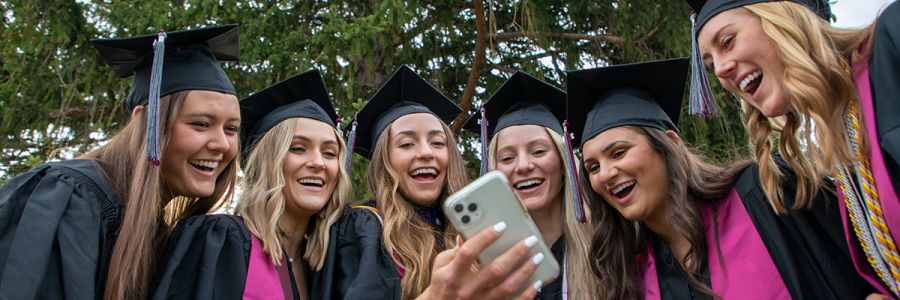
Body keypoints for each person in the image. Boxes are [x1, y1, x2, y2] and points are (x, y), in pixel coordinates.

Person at [567, 58, 875, 299]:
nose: (605, 173)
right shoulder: (630, 273)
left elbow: (871, 268)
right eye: (593, 167)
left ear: (671, 143)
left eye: (619, 153)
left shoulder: (766, 191)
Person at [0, 25, 242, 299]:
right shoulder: (69, 198)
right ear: (144, 120)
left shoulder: (156, 231)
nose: (222, 144)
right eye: (201, 124)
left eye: (231, 129)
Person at [689, 0, 900, 295]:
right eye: (711, 65)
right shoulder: (844, 149)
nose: (722, 71)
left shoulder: (893, 43)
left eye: (728, 41)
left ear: (782, 15)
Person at [309, 65, 543, 300]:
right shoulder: (365, 228)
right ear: (384, 161)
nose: (426, 152)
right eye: (406, 144)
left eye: (438, 143)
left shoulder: (468, 229)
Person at [151, 69, 349, 299]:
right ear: (265, 162)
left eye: (329, 153)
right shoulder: (220, 241)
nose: (318, 163)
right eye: (297, 148)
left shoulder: (324, 267)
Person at [462, 71, 601, 299]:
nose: (523, 166)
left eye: (538, 151)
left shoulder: (605, 248)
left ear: (563, 161)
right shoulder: (480, 261)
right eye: (507, 158)